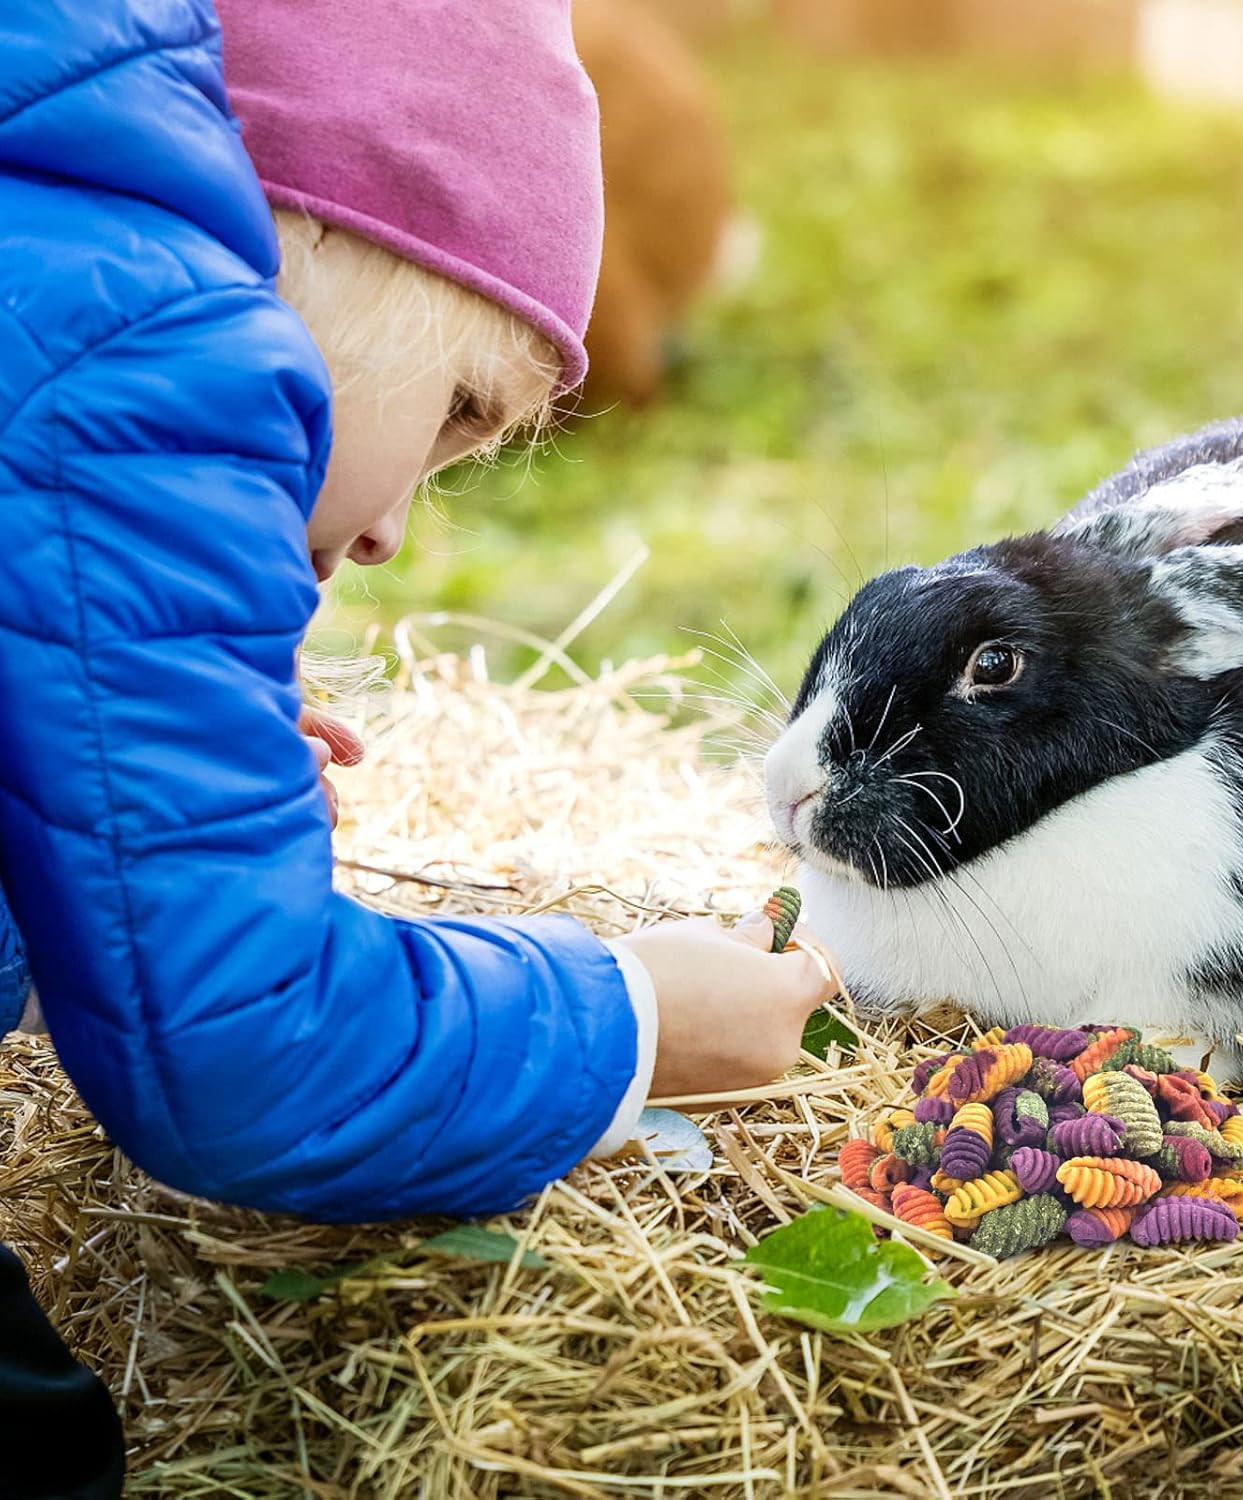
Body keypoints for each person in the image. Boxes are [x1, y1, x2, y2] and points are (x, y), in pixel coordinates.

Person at [0, 2, 835, 1493]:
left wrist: (92, 771)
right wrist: (636, 1016)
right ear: (336, 230)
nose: (389, 531)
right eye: (457, 411)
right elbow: (244, 1051)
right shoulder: (155, 343)